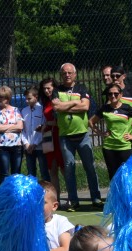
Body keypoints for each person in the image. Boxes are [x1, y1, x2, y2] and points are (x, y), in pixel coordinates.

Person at [53, 63, 103, 210]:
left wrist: (65, 106)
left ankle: (96, 198)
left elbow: (85, 107)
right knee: (69, 168)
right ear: (61, 75)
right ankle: (74, 201)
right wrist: (75, 102)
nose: (67, 75)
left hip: (82, 134)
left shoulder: (82, 88)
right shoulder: (56, 90)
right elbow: (56, 107)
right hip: (65, 136)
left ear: (75, 74)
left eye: (70, 72)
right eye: (64, 73)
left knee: (90, 167)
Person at [89, 84, 132, 178]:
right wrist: (101, 133)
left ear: (121, 95)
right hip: (109, 146)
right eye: (110, 94)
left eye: (116, 94)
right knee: (113, 175)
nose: (113, 96)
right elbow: (91, 122)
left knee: (126, 174)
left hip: (124, 146)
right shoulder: (105, 108)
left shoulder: (126, 108)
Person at [0, 86, 24, 182]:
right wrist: (13, 126)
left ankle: (15, 190)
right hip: (2, 146)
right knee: (4, 173)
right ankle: (4, 191)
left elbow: (20, 126)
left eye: (2, 97)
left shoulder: (16, 110)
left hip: (16, 145)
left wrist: (3, 128)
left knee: (16, 173)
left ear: (8, 98)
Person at [39, 78, 65, 204]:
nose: (46, 90)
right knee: (52, 169)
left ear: (54, 87)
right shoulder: (45, 102)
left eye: (49, 88)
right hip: (49, 137)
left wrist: (48, 123)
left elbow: (60, 121)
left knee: (64, 168)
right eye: (44, 88)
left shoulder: (59, 100)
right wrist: (44, 126)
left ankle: (72, 197)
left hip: (59, 135)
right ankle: (56, 199)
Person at [20, 86, 49, 180]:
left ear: (36, 97)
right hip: (28, 146)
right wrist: (26, 143)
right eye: (26, 99)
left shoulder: (42, 110)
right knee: (31, 172)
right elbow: (22, 129)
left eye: (29, 98)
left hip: (40, 146)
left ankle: (46, 187)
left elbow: (44, 127)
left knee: (44, 171)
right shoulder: (24, 111)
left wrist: (35, 143)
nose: (26, 101)